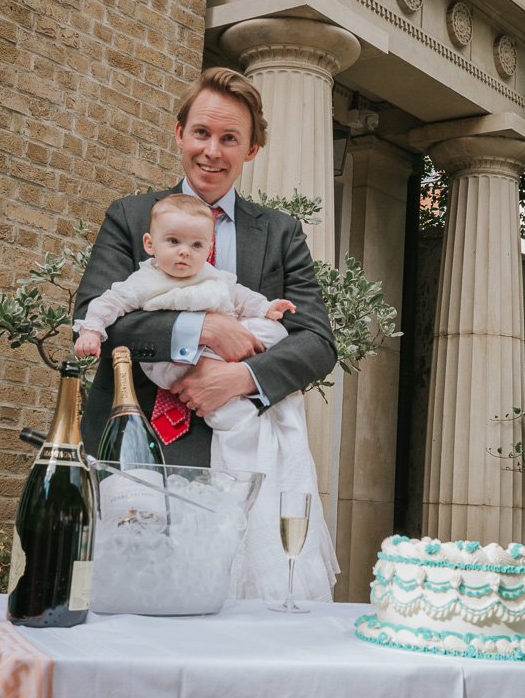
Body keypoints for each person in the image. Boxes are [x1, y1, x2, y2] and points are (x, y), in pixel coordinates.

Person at [73, 66, 338, 601]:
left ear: (251, 149)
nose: (211, 151)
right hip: (140, 452)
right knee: (129, 615)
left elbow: (316, 341)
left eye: (229, 138)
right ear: (179, 134)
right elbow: (99, 315)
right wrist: (203, 328)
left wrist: (241, 378)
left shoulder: (281, 233)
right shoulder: (130, 217)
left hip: (247, 463)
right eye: (201, 133)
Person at [73, 193, 295, 432]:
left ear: (208, 248)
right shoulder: (144, 281)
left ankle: (238, 372)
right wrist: (91, 331)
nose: (185, 252)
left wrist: (266, 307)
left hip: (227, 349)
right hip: (175, 362)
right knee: (233, 417)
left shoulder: (209, 274)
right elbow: (108, 303)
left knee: (277, 330)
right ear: (150, 244)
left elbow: (239, 295)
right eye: (173, 241)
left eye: (196, 245)